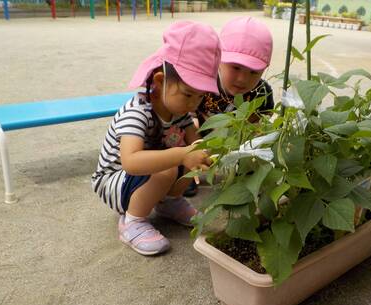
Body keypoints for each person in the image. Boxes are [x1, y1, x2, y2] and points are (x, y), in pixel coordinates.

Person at [91, 21, 221, 256]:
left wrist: (206, 152)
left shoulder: (179, 112)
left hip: (143, 179)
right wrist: (182, 154)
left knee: (184, 158)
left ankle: (169, 202)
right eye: (188, 94)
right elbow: (131, 162)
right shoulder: (137, 112)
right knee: (169, 165)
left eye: (200, 97)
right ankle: (132, 221)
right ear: (161, 81)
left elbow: (196, 144)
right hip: (114, 183)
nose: (193, 104)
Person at [184, 16, 274, 197]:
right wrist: (197, 148)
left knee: (260, 137)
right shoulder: (204, 81)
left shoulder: (262, 92)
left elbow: (259, 125)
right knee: (180, 133)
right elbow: (187, 118)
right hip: (201, 135)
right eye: (235, 67)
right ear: (219, 58)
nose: (243, 79)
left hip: (238, 141)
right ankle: (186, 174)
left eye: (254, 72)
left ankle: (244, 171)